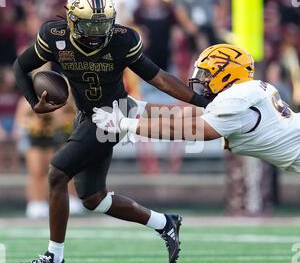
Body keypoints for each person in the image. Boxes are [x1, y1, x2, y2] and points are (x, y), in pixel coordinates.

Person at [13, 0, 208, 263]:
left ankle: (54, 258)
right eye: (90, 23)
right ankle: (164, 223)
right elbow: (21, 65)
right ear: (71, 20)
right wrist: (34, 103)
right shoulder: (54, 36)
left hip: (114, 116)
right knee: (93, 199)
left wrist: (203, 102)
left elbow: (161, 79)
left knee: (56, 173)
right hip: (87, 116)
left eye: (102, 23)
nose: (97, 30)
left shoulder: (121, 40)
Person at [93, 44, 300, 178]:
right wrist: (139, 107)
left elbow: (191, 129)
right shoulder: (244, 92)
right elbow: (186, 115)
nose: (202, 80)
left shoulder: (237, 98)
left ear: (226, 74)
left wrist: (124, 124)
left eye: (207, 73)